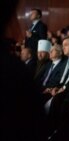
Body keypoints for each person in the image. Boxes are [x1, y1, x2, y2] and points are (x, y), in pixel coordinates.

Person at [0, 0, 46, 140]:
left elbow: (42, 38)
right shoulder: (15, 69)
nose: (30, 14)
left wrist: (33, 36)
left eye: (32, 12)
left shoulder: (41, 26)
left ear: (38, 14)